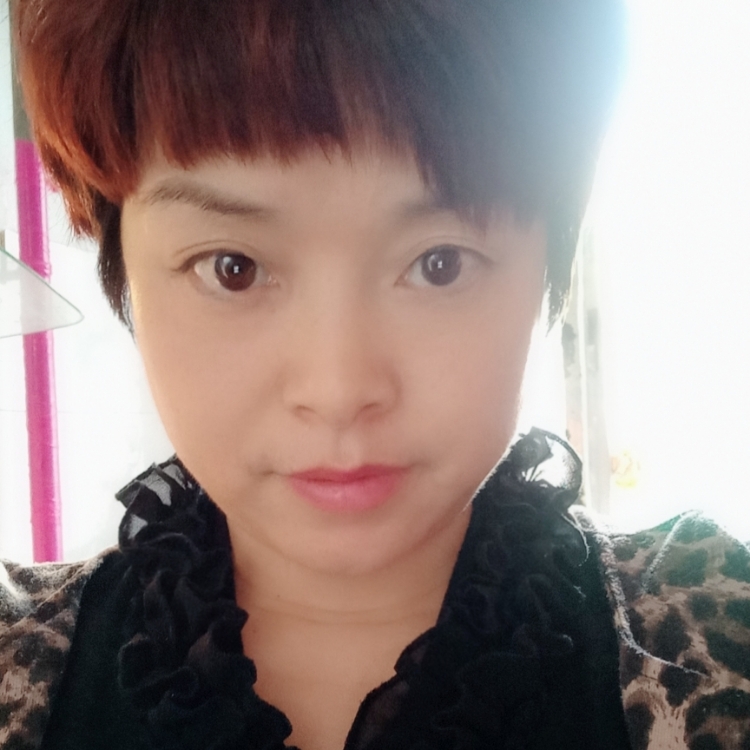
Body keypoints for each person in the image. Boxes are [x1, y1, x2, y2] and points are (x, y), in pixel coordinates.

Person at [2, 1, 749, 749]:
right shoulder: (17, 670)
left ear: (550, 267)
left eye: (440, 264)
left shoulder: (707, 651)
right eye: (234, 268)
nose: (338, 390)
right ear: (124, 270)